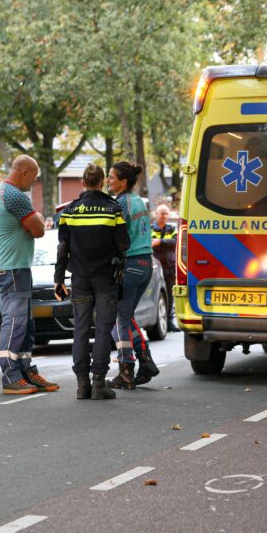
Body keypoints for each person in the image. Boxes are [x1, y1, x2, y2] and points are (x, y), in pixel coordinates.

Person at [54, 164, 129, 400]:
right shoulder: (113, 209)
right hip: (106, 277)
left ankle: (82, 384)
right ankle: (99, 383)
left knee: (81, 330)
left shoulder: (70, 211)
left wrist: (59, 279)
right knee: (104, 330)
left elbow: (62, 248)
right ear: (102, 182)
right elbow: (124, 243)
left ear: (82, 182)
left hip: (80, 278)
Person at [0, 154, 59, 395]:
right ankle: (10, 374)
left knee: (26, 323)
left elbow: (33, 225)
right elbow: (39, 230)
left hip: (11, 267)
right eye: (34, 177)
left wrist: (33, 218)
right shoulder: (14, 196)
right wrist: (36, 217)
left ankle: (26, 369)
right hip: (13, 269)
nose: (34, 182)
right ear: (23, 172)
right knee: (16, 321)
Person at [107, 161, 160, 389]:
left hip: (129, 265)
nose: (108, 180)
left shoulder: (120, 204)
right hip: (145, 263)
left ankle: (126, 370)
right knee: (126, 317)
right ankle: (145, 361)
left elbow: (116, 236)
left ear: (123, 181)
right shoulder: (139, 201)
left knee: (120, 319)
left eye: (111, 177)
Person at [151, 203, 180, 332]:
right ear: (156, 214)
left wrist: (159, 242)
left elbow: (176, 242)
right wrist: (163, 244)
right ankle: (157, 321)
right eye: (162, 213)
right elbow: (149, 243)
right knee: (157, 294)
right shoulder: (150, 228)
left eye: (166, 213)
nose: (164, 216)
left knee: (169, 294)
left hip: (169, 267)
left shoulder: (172, 229)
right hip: (155, 267)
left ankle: (169, 321)